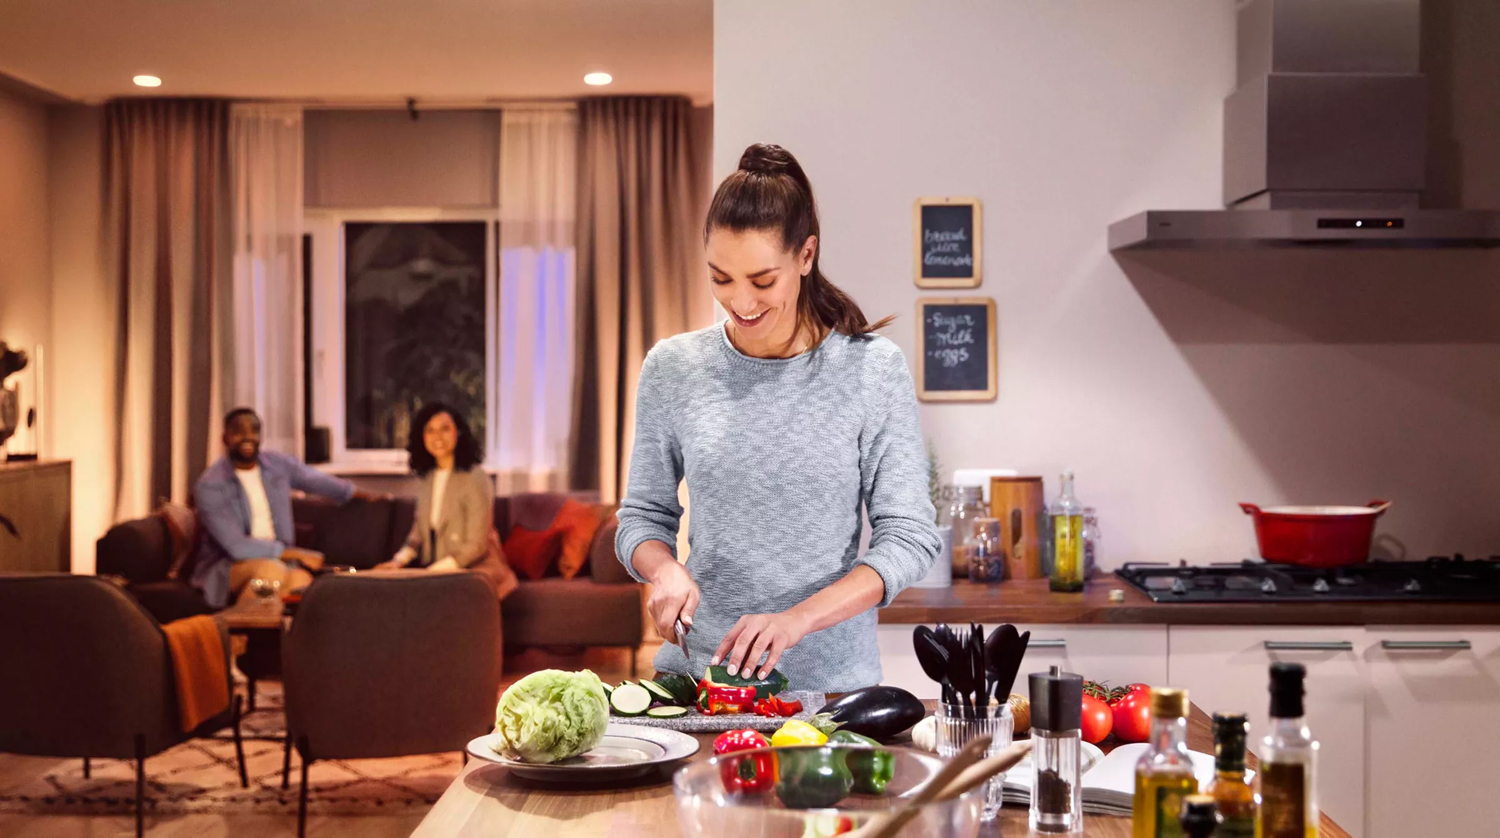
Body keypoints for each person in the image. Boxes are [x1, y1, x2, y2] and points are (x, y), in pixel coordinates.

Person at [614, 143, 941, 694]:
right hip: (701, 684)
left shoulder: (870, 369)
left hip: (830, 691)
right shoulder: (674, 369)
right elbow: (642, 518)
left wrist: (797, 620)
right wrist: (663, 569)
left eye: (763, 281)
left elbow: (908, 538)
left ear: (806, 256)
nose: (740, 302)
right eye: (721, 279)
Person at [191, 408, 379, 609]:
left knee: (301, 581)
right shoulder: (210, 485)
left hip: (282, 563)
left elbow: (315, 480)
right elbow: (237, 547)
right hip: (227, 567)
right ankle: (238, 638)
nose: (247, 437)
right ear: (225, 438)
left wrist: (362, 494)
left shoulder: (276, 465)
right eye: (238, 431)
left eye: (254, 430)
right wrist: (296, 554)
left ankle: (272, 640)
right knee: (269, 572)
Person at [377, 402, 518, 599]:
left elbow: (477, 545)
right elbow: (417, 536)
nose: (438, 437)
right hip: (441, 573)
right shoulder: (427, 479)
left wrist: (432, 574)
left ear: (458, 433)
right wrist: (397, 562)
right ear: (422, 437)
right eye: (430, 430)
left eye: (445, 428)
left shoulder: (475, 477)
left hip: (476, 573)